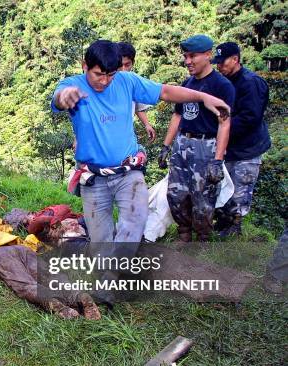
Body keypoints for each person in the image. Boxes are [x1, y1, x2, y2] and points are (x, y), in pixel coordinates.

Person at [52, 39, 230, 245]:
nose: (105, 81)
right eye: (98, 74)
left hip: (128, 171)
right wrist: (63, 97)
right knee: (101, 241)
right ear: (85, 66)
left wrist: (202, 97)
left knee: (135, 221)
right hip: (94, 178)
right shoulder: (72, 85)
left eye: (111, 75)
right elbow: (58, 97)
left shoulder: (127, 81)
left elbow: (164, 91)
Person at [158, 34, 235, 242]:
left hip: (206, 145)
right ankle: (184, 233)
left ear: (208, 55)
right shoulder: (187, 83)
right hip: (183, 142)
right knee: (176, 193)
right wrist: (166, 146)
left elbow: (224, 122)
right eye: (185, 56)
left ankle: (202, 238)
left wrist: (218, 160)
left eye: (193, 56)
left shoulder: (221, 86)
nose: (188, 61)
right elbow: (177, 114)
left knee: (203, 197)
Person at [211, 42, 271, 236]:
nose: (219, 66)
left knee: (240, 190)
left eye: (223, 62)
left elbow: (250, 118)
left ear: (235, 59)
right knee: (222, 188)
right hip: (227, 146)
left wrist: (222, 131)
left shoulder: (251, 82)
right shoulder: (222, 83)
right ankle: (221, 223)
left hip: (247, 148)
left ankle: (235, 228)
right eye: (217, 63)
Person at [117, 41, 156, 141]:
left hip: (126, 133)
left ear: (133, 63)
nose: (123, 70)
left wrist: (147, 124)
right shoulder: (105, 81)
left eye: (127, 65)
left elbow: (138, 107)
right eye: (120, 65)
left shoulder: (134, 82)